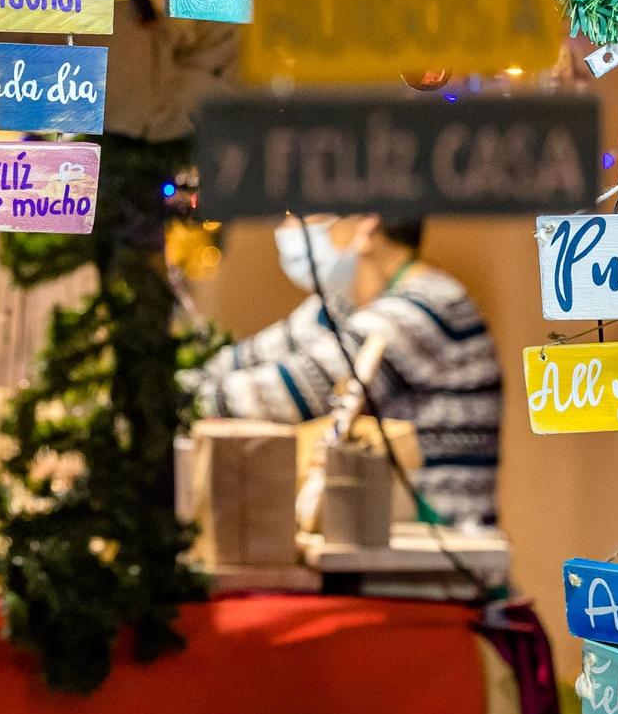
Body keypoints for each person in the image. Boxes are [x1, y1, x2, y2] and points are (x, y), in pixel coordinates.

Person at [190, 214, 502, 528]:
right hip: (390, 537)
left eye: (304, 213)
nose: (286, 229)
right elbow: (232, 360)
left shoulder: (426, 308)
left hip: (446, 549)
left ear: (368, 224)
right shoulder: (346, 305)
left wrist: (164, 396)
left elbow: (282, 394)